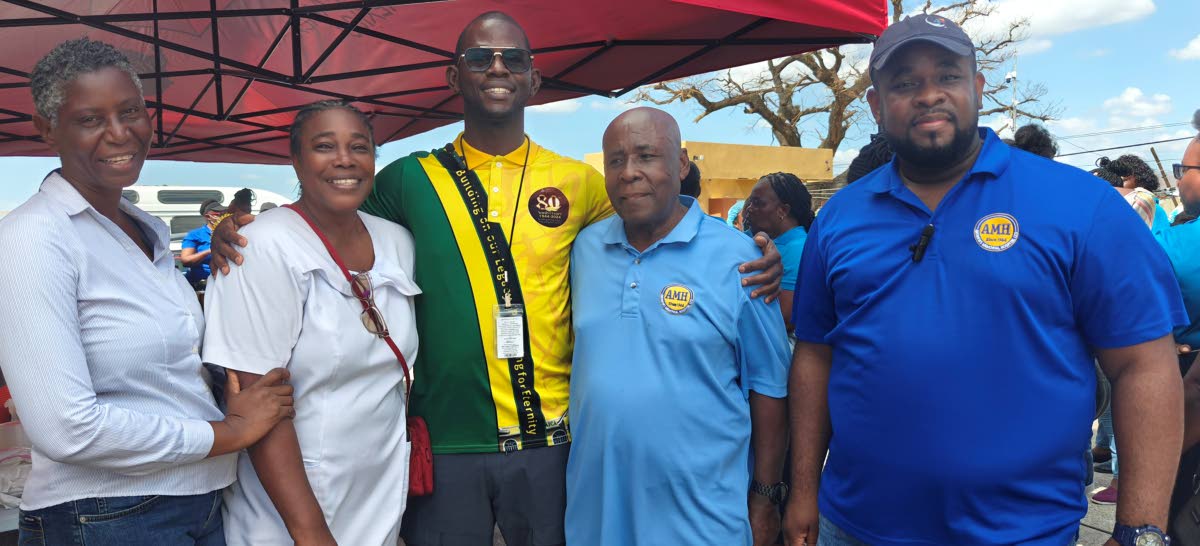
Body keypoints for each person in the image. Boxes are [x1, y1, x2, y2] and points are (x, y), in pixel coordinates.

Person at [208, 12, 782, 546]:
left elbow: (655, 233)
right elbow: (332, 218)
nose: (498, 69)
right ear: (454, 76)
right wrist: (244, 232)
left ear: (536, 78)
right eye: (481, 59)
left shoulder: (582, 183)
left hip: (553, 443)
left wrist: (750, 248)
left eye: (513, 59)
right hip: (446, 441)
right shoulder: (409, 180)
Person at [784, 15, 1185, 546]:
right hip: (854, 526)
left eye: (947, 75)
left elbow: (1144, 365)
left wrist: (1140, 530)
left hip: (1026, 533)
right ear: (877, 107)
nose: (928, 95)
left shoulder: (1081, 206)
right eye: (904, 82)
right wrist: (803, 491)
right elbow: (815, 355)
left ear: (977, 88)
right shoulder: (839, 218)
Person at [0, 38, 293, 546]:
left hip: (196, 501)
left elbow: (166, 365)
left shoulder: (145, 231)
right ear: (47, 129)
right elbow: (65, 427)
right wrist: (229, 434)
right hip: (104, 515)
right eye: (90, 119)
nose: (119, 133)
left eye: (130, 111)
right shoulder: (34, 236)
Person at [568, 106, 789, 546]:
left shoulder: (740, 260)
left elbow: (770, 387)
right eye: (615, 160)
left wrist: (765, 498)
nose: (629, 172)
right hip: (596, 516)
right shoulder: (584, 249)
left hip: (701, 521)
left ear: (682, 163)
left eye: (646, 155)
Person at [203, 101, 419, 546]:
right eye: (324, 146)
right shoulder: (260, 246)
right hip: (291, 507)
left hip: (377, 486)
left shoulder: (396, 241)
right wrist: (312, 534)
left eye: (359, 147)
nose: (344, 159)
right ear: (297, 161)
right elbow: (259, 407)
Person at [743, 172, 815, 333]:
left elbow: (785, 317)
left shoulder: (798, 248)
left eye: (757, 203)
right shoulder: (758, 238)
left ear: (782, 210)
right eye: (750, 202)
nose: (749, 209)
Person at [181, 199, 227, 287]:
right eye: (218, 215)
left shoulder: (229, 233)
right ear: (208, 217)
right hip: (201, 284)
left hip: (225, 282)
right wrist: (209, 251)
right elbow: (185, 260)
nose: (222, 217)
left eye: (224, 214)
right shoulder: (195, 235)